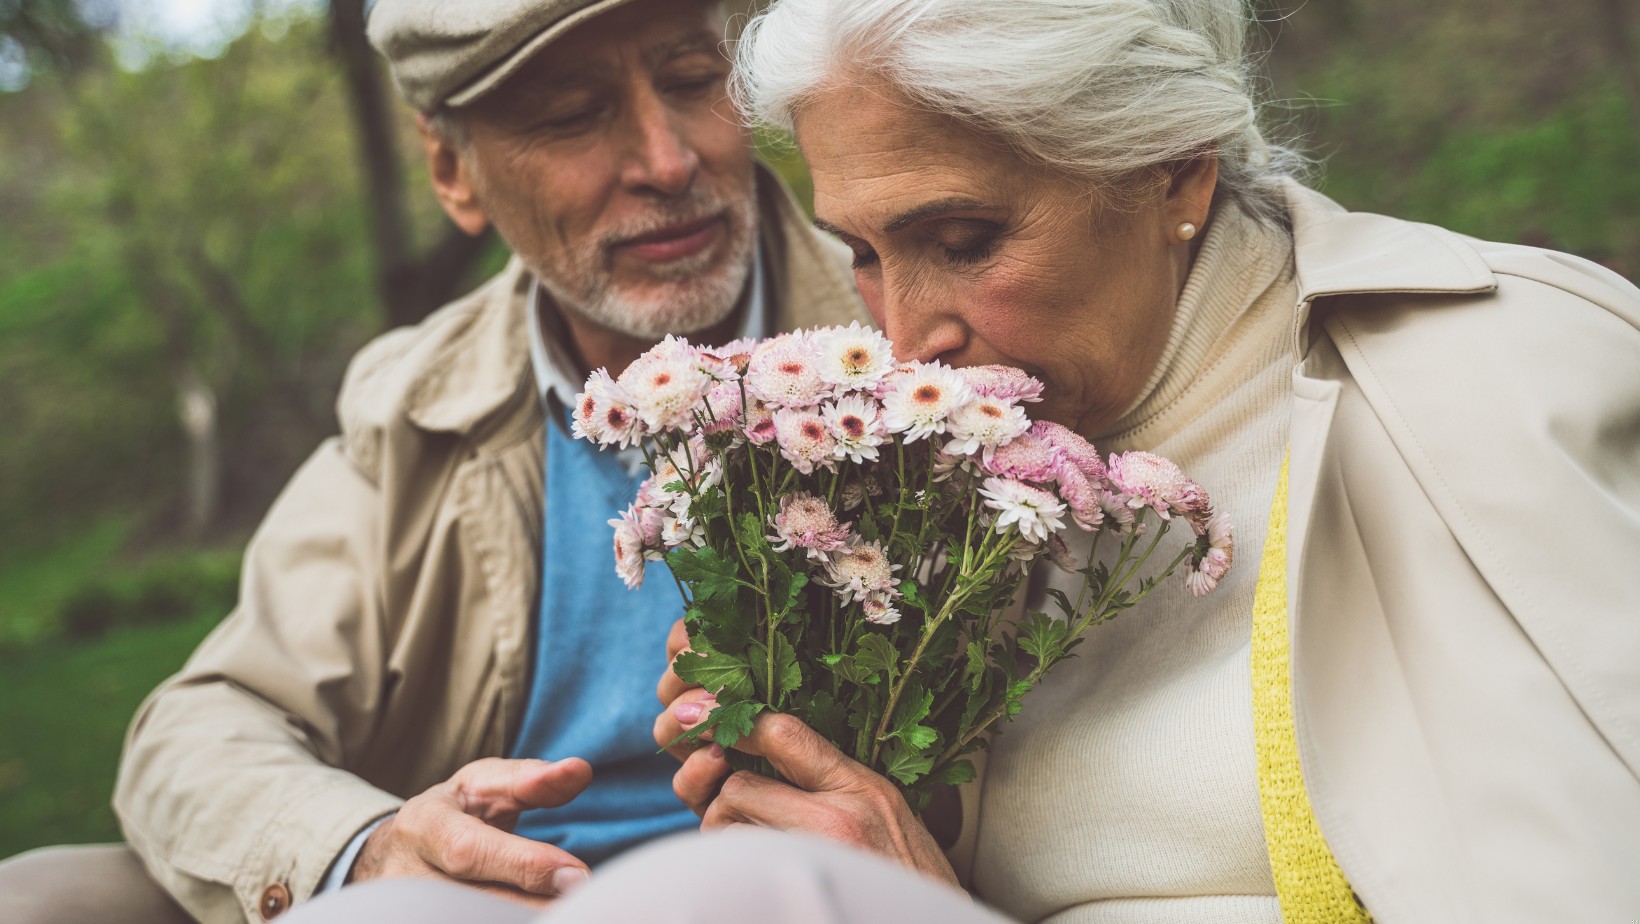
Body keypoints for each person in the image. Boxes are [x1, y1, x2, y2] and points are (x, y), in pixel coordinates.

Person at [226, 0, 1640, 921]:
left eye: (965, 241)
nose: (902, 337)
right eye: (860, 255)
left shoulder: (1488, 373)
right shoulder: (950, 449)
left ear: (1177, 170)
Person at [0, 0, 866, 921]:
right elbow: (202, 725)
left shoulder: (909, 337)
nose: (666, 161)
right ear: (453, 171)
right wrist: (367, 851)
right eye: (573, 114)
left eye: (695, 82)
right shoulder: (415, 404)